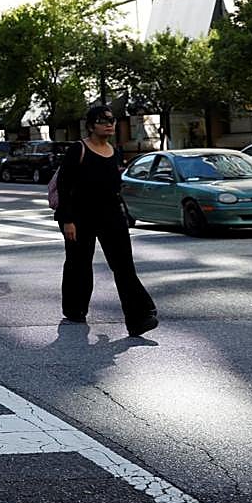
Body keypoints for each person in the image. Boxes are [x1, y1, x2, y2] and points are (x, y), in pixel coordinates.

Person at [55, 105, 158, 336]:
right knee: (78, 264)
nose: (109, 124)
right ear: (91, 126)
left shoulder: (113, 150)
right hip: (80, 216)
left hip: (111, 215)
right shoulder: (78, 149)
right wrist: (68, 220)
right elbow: (64, 186)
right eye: (103, 121)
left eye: (111, 120)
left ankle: (139, 318)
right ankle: (75, 309)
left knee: (124, 266)